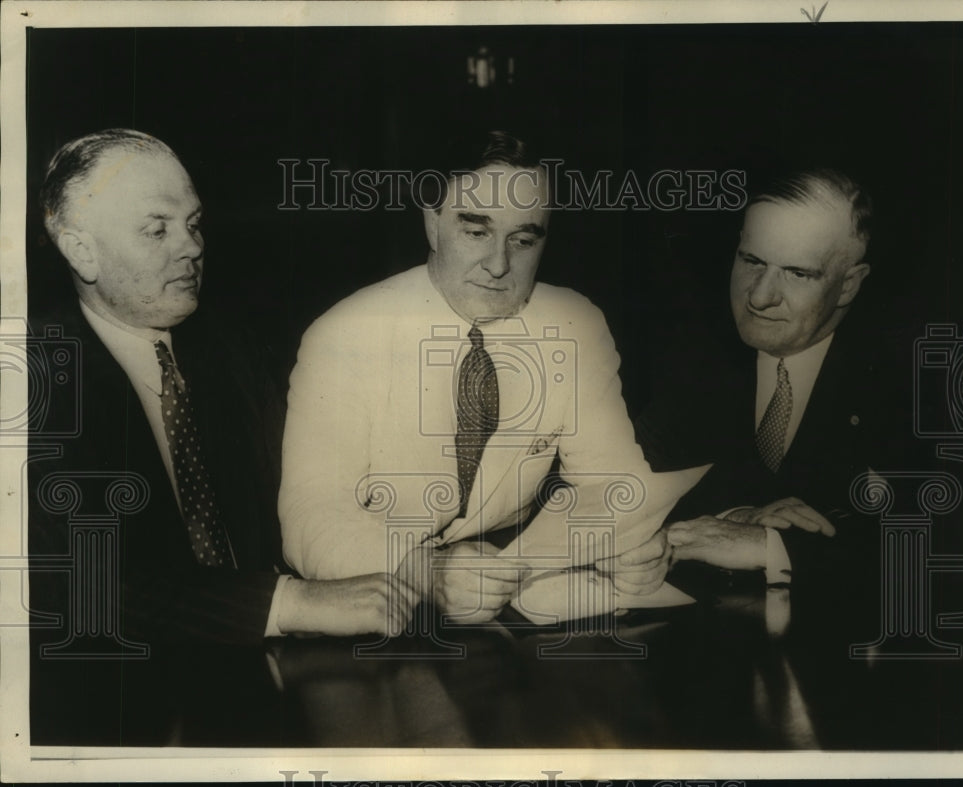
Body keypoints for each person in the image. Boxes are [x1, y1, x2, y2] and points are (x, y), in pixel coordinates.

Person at [28, 129, 418, 742]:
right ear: (82, 251)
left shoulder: (228, 345)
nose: (191, 247)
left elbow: (312, 482)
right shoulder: (33, 378)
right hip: (112, 715)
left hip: (277, 688)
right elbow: (77, 580)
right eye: (157, 229)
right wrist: (291, 604)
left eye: (194, 223)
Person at [279, 131, 702, 622]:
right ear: (432, 223)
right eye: (476, 232)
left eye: (522, 240)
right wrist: (425, 570)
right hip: (380, 604)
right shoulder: (344, 334)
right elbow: (311, 518)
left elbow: (609, 482)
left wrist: (631, 546)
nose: (500, 265)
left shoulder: (574, 323)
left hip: (514, 602)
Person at [606, 169, 891, 612]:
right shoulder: (694, 360)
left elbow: (946, 544)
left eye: (797, 273)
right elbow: (613, 489)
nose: (758, 297)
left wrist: (770, 546)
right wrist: (733, 517)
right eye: (752, 261)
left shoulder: (908, 382)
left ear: (849, 284)